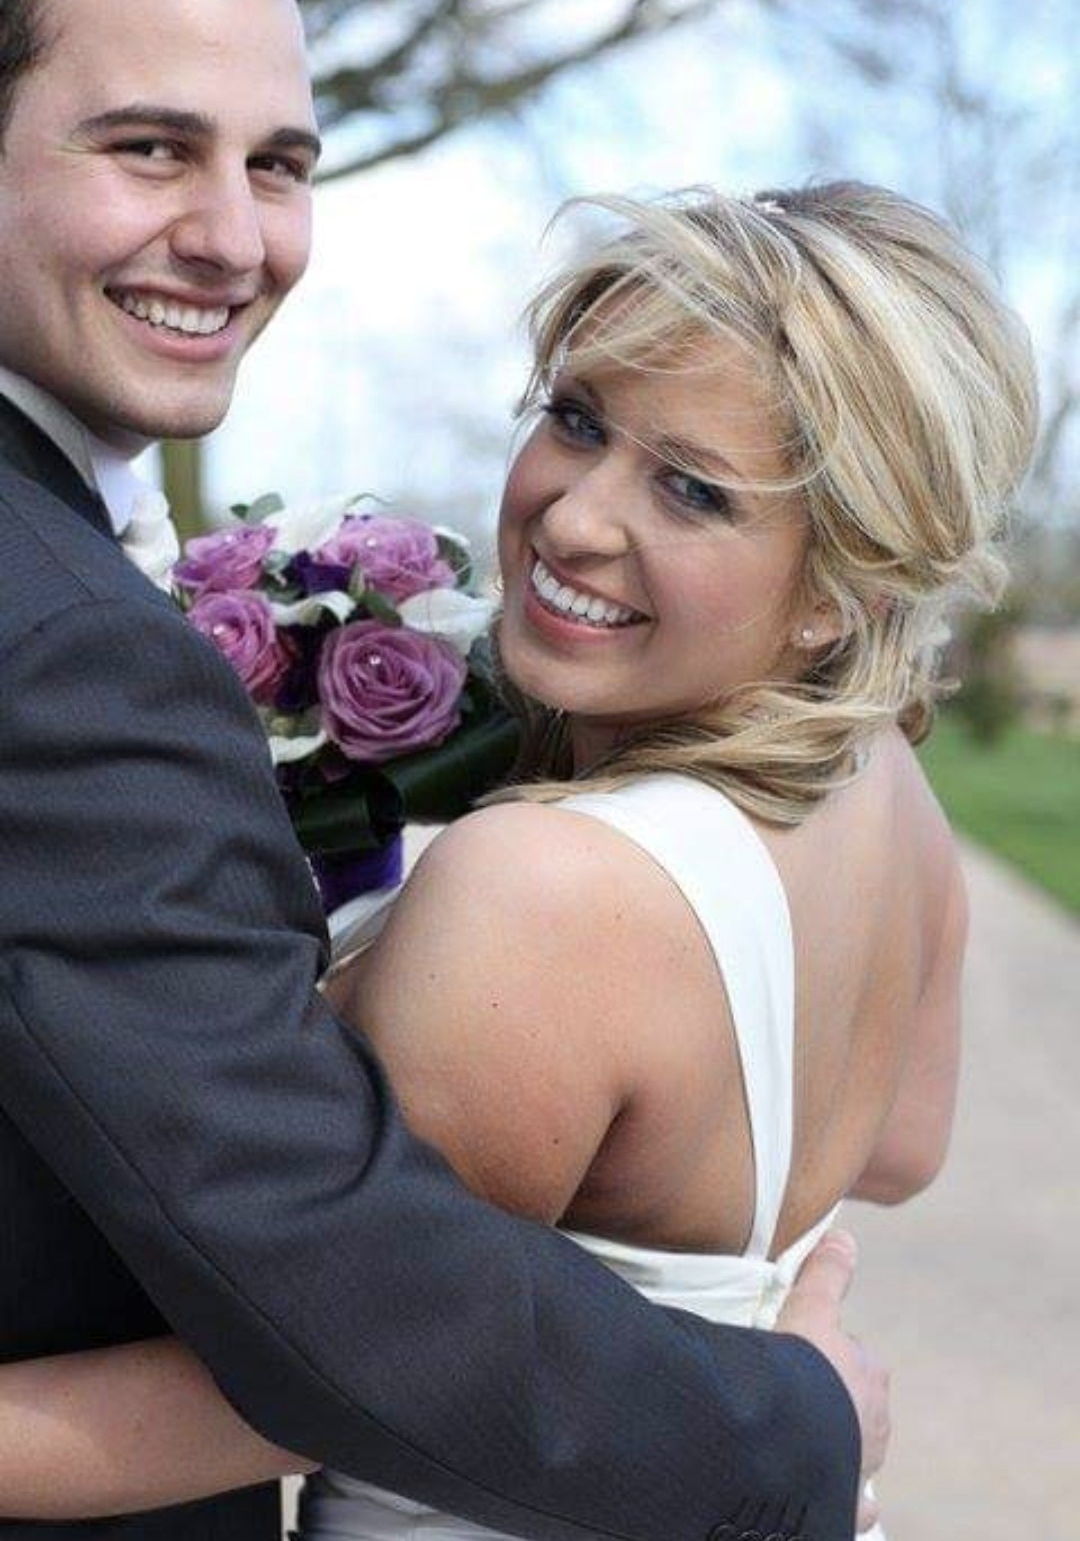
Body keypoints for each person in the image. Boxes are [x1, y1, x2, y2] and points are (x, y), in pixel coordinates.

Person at [0, 170, 1035, 1538]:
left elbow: (310, 1374)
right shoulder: (884, 784)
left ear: (838, 599)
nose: (574, 515)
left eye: (692, 491)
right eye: (577, 419)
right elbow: (899, 1146)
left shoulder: (545, 894)